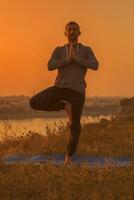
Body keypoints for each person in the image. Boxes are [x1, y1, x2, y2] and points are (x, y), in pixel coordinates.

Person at [29, 21, 99, 165]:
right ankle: (64, 106)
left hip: (77, 92)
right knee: (34, 102)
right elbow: (50, 65)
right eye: (69, 29)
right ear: (65, 33)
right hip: (60, 88)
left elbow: (95, 65)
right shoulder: (59, 50)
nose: (72, 31)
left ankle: (69, 157)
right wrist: (67, 60)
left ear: (79, 33)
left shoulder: (86, 50)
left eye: (75, 29)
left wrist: (77, 59)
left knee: (75, 126)